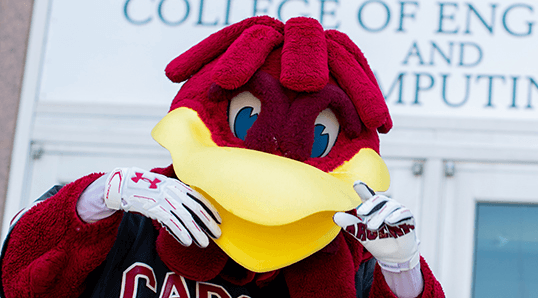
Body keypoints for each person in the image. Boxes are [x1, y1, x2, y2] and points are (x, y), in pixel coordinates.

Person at [0, 16, 444, 298]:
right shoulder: (129, 220)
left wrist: (401, 270)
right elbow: (18, 274)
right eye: (246, 121)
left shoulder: (348, 265)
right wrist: (99, 197)